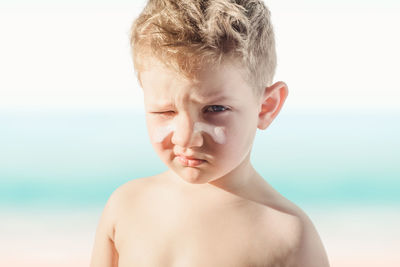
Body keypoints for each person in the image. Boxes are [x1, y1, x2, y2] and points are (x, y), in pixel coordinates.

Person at [90, 0, 330, 266]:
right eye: (165, 112)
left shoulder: (288, 235)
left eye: (214, 109)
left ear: (266, 107)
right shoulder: (125, 207)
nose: (185, 137)